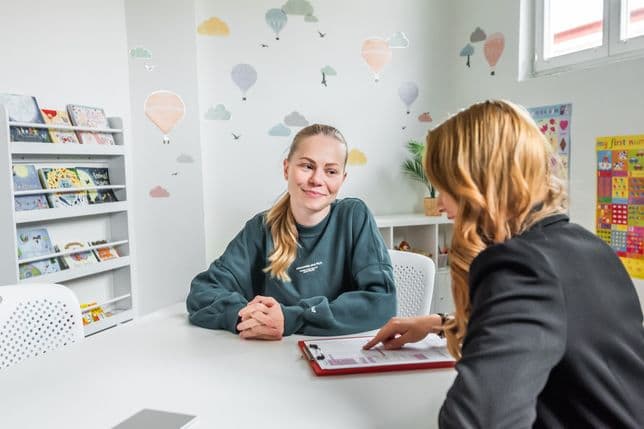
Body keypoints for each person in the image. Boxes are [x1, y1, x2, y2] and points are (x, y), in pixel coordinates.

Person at [365, 100, 644, 428]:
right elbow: (552, 329)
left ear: (477, 182)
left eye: (446, 187)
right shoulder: (584, 245)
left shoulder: (522, 264)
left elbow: (476, 420)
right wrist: (440, 323)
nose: (440, 204)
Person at [187, 123, 396, 340]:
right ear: (286, 168)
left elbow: (382, 301)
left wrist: (291, 318)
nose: (317, 180)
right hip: (271, 356)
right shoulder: (260, 228)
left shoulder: (354, 217)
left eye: (331, 171)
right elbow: (203, 292)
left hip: (338, 354)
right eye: (307, 166)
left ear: (342, 179)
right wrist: (247, 317)